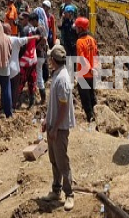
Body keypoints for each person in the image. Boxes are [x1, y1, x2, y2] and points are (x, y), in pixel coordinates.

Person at [41, 44, 75, 211]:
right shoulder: (56, 75)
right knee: (54, 160)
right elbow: (54, 104)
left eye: (50, 58)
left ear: (53, 60)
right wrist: (47, 121)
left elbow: (63, 107)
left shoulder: (62, 79)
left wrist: (55, 128)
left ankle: (69, 194)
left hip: (59, 128)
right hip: (53, 125)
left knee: (62, 162)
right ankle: (56, 190)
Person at [75, 17, 98, 123]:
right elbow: (96, 55)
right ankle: (96, 115)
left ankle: (91, 119)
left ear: (80, 28)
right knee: (91, 95)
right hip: (92, 74)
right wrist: (94, 68)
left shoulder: (80, 41)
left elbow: (82, 59)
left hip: (84, 75)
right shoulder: (92, 40)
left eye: (77, 28)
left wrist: (89, 69)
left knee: (85, 99)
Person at [18, 14, 40, 110]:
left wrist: (18, 57)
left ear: (27, 19)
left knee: (21, 81)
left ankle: (17, 102)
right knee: (32, 80)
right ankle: (31, 102)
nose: (20, 21)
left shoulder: (25, 30)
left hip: (25, 60)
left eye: (21, 19)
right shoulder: (33, 29)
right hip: (33, 58)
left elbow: (23, 46)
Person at [33, 7, 50, 104]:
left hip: (39, 55)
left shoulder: (38, 28)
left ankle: (43, 99)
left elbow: (44, 39)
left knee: (39, 77)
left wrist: (36, 46)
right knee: (38, 75)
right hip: (42, 55)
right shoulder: (43, 26)